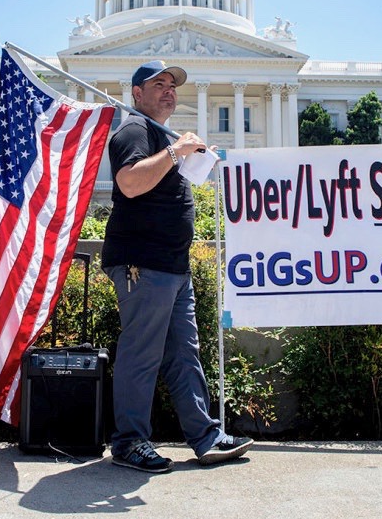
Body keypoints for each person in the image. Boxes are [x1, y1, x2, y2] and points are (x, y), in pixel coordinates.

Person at [102, 59, 253, 473]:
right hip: (141, 262)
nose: (169, 91)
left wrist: (197, 156)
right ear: (137, 93)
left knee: (184, 353)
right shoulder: (134, 129)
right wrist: (175, 150)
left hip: (171, 265)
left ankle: (204, 437)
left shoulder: (163, 134)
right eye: (159, 84)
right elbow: (130, 183)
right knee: (141, 354)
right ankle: (130, 442)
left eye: (173, 85)